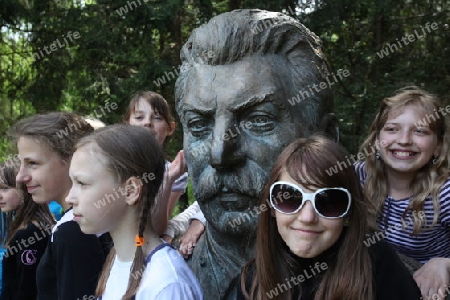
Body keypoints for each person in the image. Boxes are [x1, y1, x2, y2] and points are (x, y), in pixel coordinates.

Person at [174, 9, 338, 299]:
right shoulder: (161, 279)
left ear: (324, 139)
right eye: (199, 124)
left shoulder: (389, 281)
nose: (220, 154)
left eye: (259, 120)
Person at [238, 135, 421, 299]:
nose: (307, 217)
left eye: (329, 201)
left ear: (348, 211)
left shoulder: (377, 263)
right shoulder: (252, 282)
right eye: (291, 198)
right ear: (271, 207)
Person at [66, 124, 203, 299]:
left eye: (82, 183)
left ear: (130, 191)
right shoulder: (118, 260)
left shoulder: (167, 285)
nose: (70, 197)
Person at [356, 87, 450, 299]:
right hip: (374, 279)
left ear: (437, 147)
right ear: (375, 140)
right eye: (392, 129)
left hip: (427, 287)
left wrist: (445, 263)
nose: (405, 139)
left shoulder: (444, 193)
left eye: (420, 131)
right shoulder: (358, 176)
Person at [10, 112, 111, 300]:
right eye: (21, 164)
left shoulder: (74, 231)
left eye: (32, 163)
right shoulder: (81, 223)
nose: (20, 177)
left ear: (72, 160)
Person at [123, 90, 205, 252]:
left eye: (157, 118)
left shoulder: (172, 172)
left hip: (139, 249)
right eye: (139, 117)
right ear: (127, 123)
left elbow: (158, 229)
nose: (147, 123)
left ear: (170, 128)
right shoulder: (114, 164)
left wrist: (168, 180)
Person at [0, 162, 55, 300]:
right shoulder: (26, 228)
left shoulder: (30, 233)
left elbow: (26, 289)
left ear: (26, 190)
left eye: (5, 188)